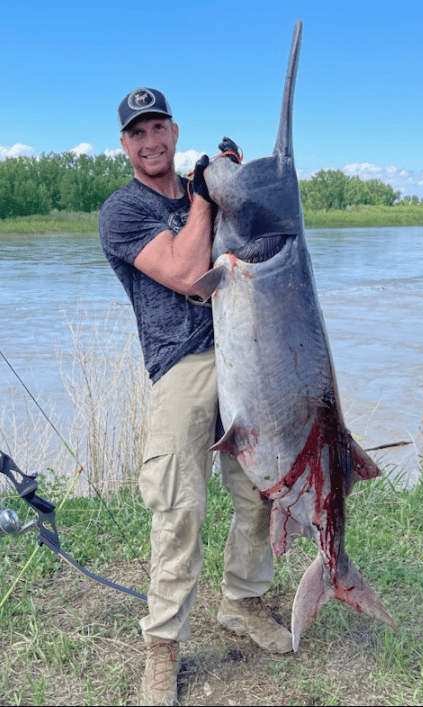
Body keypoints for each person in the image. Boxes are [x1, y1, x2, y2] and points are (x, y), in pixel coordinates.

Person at [99, 87, 292, 706]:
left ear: (175, 132)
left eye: (159, 128)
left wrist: (236, 183)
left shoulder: (203, 188)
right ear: (125, 144)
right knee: (180, 509)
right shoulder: (122, 212)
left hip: (247, 355)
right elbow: (187, 274)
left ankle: (243, 603)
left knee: (260, 490)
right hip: (182, 367)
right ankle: (163, 649)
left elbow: (258, 246)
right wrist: (207, 197)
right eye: (138, 133)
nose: (151, 141)